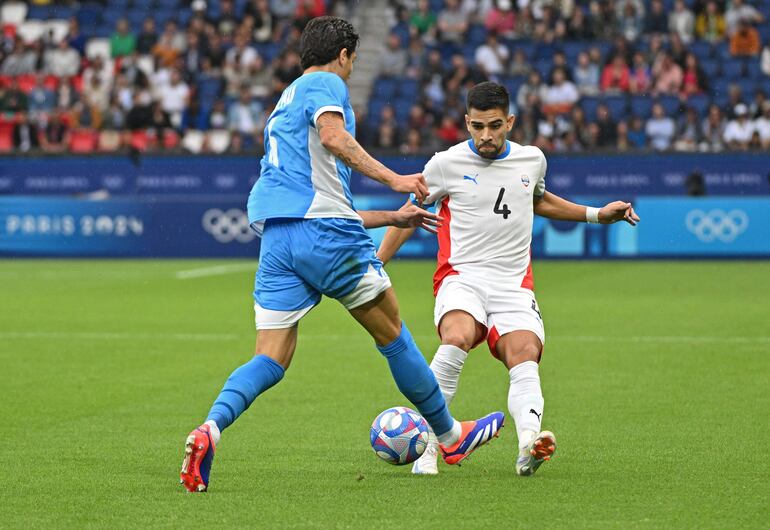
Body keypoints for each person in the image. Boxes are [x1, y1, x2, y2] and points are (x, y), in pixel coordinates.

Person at [179, 16, 504, 493]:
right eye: (350, 61)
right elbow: (333, 140)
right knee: (392, 333)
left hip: (278, 239)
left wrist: (392, 218)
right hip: (323, 235)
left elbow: (322, 198)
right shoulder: (326, 83)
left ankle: (209, 429)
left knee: (271, 357)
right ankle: (450, 435)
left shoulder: (284, 102)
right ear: (345, 55)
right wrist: (395, 179)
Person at [376, 82, 640, 476]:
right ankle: (430, 448)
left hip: (514, 283)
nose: (486, 135)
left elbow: (537, 200)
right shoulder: (444, 164)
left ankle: (529, 444)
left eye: (495, 125)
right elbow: (409, 210)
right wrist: (377, 262)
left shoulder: (532, 159)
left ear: (510, 122)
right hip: (461, 276)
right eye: (478, 126)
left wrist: (596, 214)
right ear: (466, 123)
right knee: (458, 336)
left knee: (524, 354)